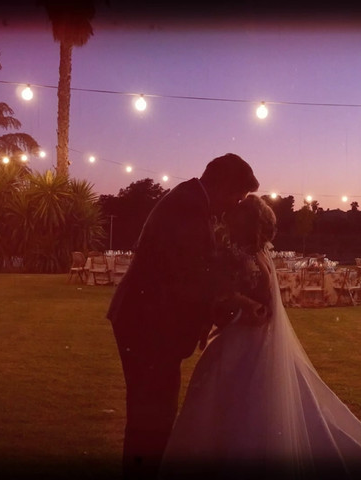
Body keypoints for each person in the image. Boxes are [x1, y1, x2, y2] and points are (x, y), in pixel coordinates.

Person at [161, 195, 361, 480]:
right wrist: (243, 304)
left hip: (246, 339)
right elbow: (235, 296)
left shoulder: (246, 255)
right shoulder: (253, 254)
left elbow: (243, 296)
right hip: (247, 335)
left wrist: (244, 304)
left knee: (236, 404)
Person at [107, 153, 260, 480]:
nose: (236, 204)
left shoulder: (191, 201)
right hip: (148, 327)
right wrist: (236, 302)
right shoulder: (188, 206)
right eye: (238, 196)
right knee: (152, 419)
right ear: (222, 184)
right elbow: (190, 277)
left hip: (146, 323)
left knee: (151, 417)